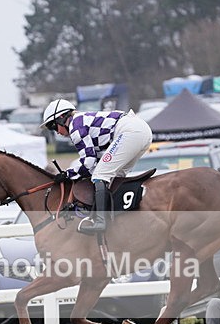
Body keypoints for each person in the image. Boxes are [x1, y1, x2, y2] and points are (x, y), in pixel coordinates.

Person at [40, 98, 152, 234]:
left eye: (53, 126)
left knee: (101, 175)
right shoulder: (81, 121)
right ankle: (120, 216)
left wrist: (67, 174)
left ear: (62, 118)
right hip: (140, 131)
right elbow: (94, 162)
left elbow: (89, 162)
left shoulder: (76, 126)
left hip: (130, 132)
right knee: (113, 177)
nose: (56, 132)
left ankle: (100, 221)